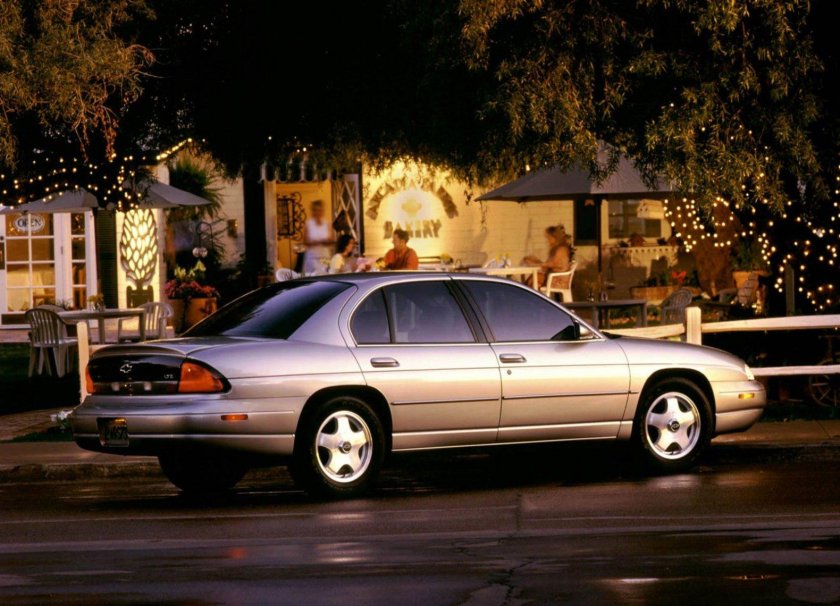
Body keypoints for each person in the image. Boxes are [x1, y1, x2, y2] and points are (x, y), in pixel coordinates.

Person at [302, 200, 334, 275]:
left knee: (325, 275)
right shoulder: (308, 224)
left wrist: (326, 241)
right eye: (316, 210)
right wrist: (313, 242)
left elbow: (332, 241)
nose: (318, 212)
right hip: (312, 256)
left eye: (320, 210)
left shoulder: (327, 224)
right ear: (312, 211)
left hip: (324, 256)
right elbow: (304, 242)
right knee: (312, 276)